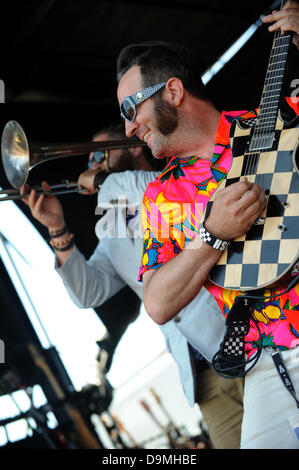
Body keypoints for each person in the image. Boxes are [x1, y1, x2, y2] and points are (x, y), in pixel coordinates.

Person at [115, 1, 299, 449]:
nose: (128, 128)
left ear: (173, 92)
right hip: (262, 363)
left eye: (129, 108)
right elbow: (157, 302)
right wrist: (212, 236)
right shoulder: (162, 196)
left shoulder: (276, 120)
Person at [20, 122, 244, 449]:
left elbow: (156, 192)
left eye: (100, 153)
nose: (93, 161)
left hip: (246, 337)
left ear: (135, 146)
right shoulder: (111, 226)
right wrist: (57, 230)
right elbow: (87, 293)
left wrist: (102, 181)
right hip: (203, 375)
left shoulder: (172, 179)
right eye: (90, 158)